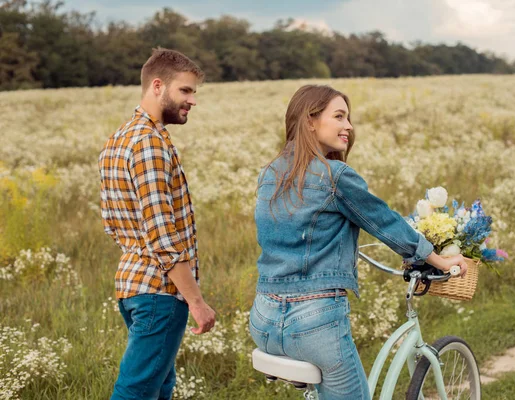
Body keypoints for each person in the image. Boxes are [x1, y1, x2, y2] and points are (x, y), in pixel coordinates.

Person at [249, 84, 468, 399]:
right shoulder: (335, 175)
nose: (348, 126)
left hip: (263, 320)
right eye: (339, 116)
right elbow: (385, 222)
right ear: (310, 120)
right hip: (314, 322)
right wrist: (439, 259)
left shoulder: (269, 174)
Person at [98, 48, 216, 400]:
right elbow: (163, 236)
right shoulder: (149, 143)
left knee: (159, 387)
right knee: (136, 391)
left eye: (194, 92)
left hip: (132, 284)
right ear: (157, 85)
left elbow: (113, 223)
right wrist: (196, 301)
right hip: (158, 292)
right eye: (185, 90)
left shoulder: (119, 139)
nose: (192, 100)